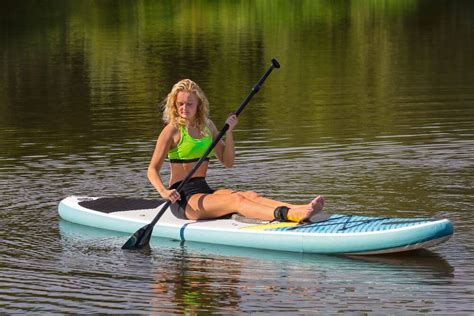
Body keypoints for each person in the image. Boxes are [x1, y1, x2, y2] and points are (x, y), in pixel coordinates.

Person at [147, 79, 324, 222]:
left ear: (198, 104)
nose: (184, 108)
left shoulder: (207, 127)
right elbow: (152, 169)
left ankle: (298, 208)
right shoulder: (172, 130)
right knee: (236, 201)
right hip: (183, 198)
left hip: (203, 189)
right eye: (180, 104)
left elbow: (228, 162)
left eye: (189, 104)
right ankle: (288, 215)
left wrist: (229, 132)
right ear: (174, 105)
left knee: (249, 195)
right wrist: (164, 192)